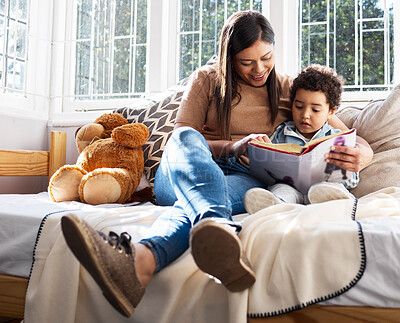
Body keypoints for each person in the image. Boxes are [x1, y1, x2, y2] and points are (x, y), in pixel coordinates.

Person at [60, 11, 373, 318]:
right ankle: (220, 227)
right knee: (185, 139)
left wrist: (363, 154)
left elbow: (347, 136)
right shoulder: (207, 80)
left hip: (243, 178)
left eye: (266, 57)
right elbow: (180, 140)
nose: (259, 69)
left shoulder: (288, 88)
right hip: (183, 174)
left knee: (198, 205)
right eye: (247, 62)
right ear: (229, 56)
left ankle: (141, 261)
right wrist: (232, 147)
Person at [244, 64, 359, 214]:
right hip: (290, 188)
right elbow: (266, 167)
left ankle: (339, 204)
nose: (305, 114)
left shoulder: (338, 138)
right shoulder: (281, 133)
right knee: (280, 190)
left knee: (330, 188)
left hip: (323, 189)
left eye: (315, 110)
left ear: (331, 111)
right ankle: (274, 206)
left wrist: (345, 173)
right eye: (298, 106)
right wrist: (259, 152)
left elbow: (353, 178)